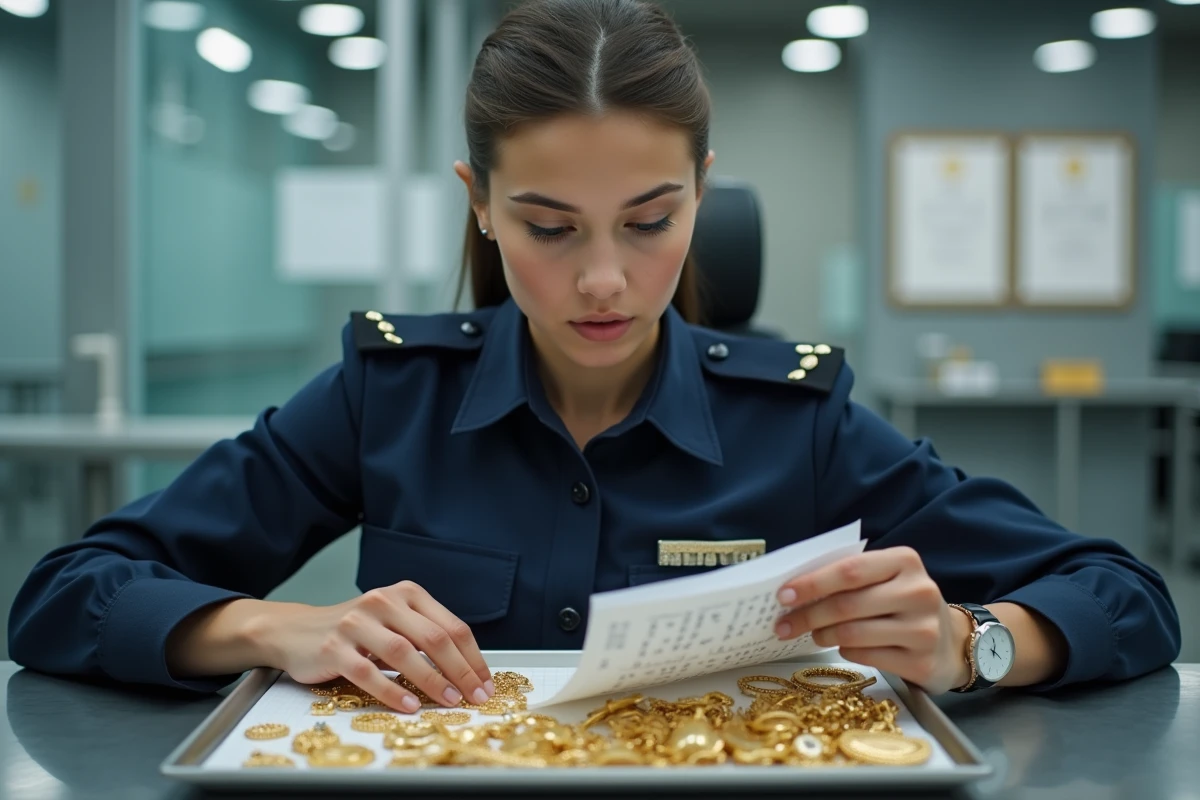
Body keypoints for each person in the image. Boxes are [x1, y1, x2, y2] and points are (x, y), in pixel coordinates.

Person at [8, 0, 1180, 715]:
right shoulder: (389, 395)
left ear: (702, 194)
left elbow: (1124, 597)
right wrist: (275, 627)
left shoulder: (796, 418)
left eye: (651, 219)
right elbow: (65, 594)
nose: (605, 279)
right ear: (480, 204)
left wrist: (972, 644)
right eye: (550, 227)